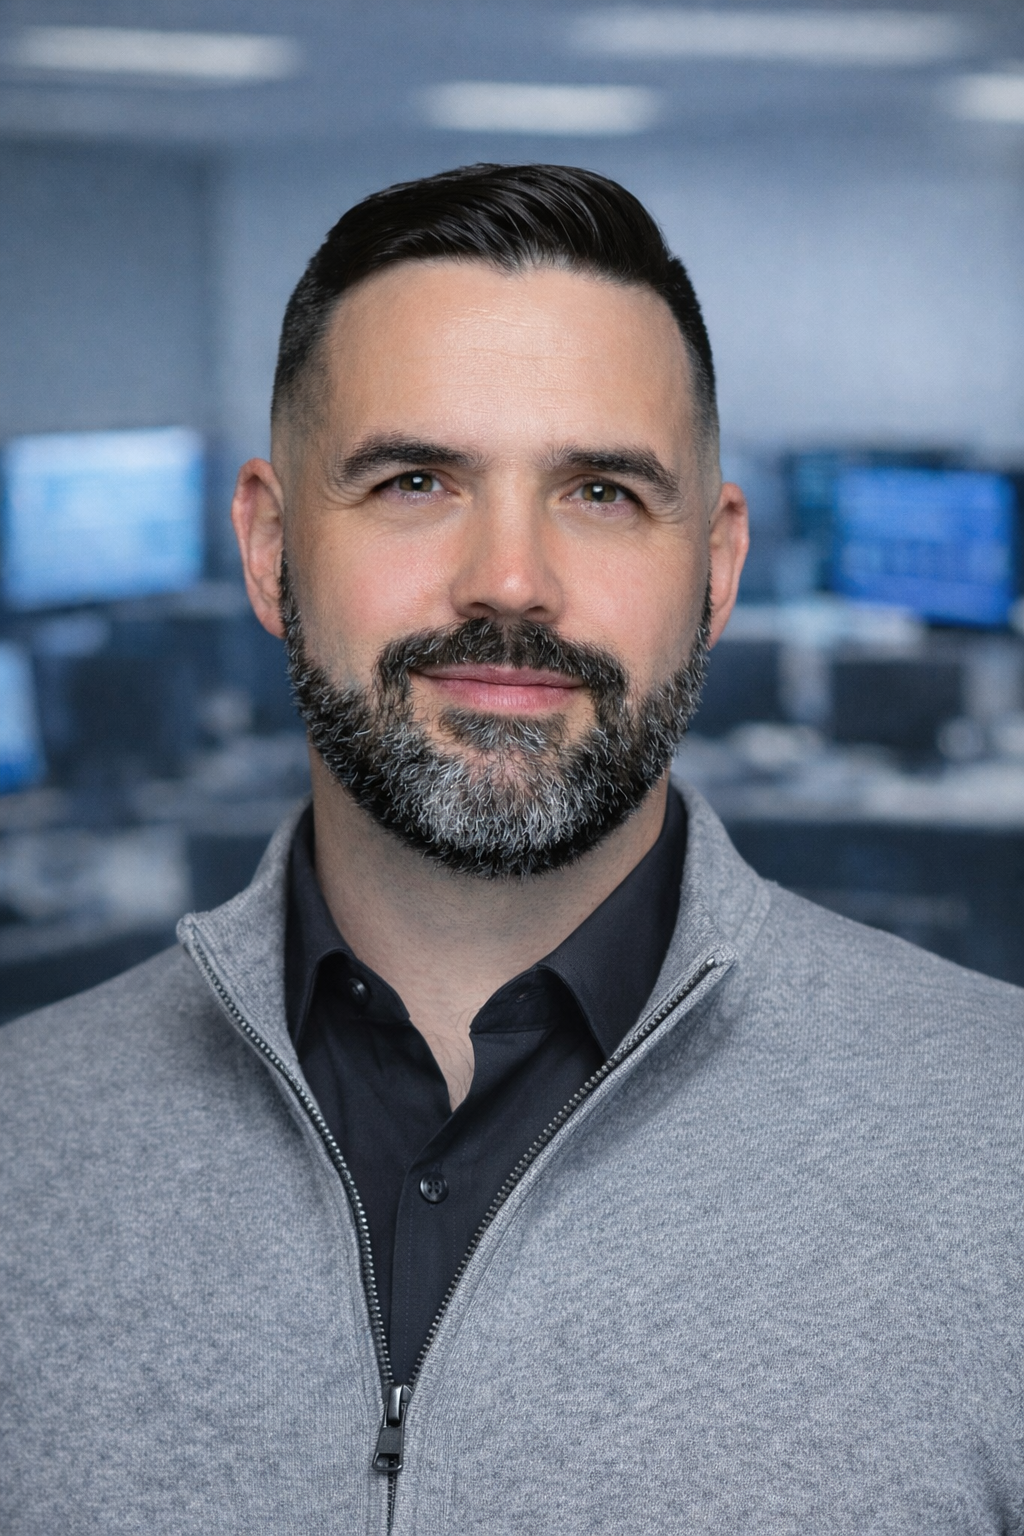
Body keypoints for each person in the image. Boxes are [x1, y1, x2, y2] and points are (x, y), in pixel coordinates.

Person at [1, 163, 1020, 1535]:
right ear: (266, 547)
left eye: (601, 491)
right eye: (415, 479)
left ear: (715, 571)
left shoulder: (998, 1145)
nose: (510, 581)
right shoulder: (24, 1146)